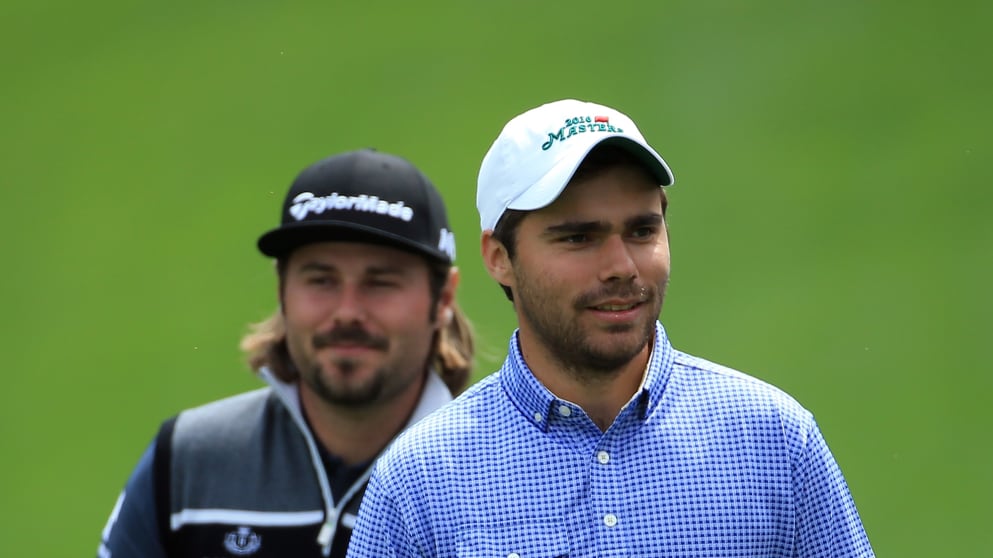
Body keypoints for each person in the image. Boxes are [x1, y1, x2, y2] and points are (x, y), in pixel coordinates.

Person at [345, 99, 874, 557]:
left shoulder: (775, 441)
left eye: (642, 230)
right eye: (578, 238)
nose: (621, 265)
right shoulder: (420, 480)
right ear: (499, 257)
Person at [97, 148, 474, 558]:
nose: (347, 311)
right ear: (281, 290)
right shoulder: (187, 459)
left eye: (380, 282)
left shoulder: (496, 477)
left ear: (443, 298)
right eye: (321, 280)